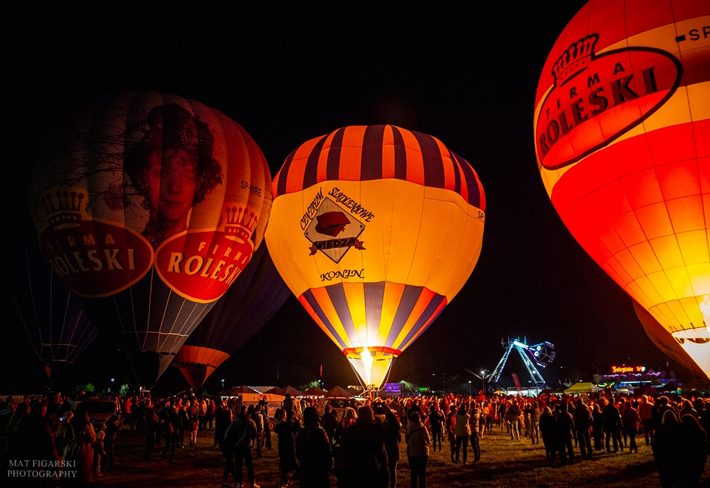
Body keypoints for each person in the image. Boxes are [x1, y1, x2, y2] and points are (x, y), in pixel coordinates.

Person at [123, 103, 223, 248]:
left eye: (189, 176)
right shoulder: (124, 246)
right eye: (162, 173)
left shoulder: (204, 248)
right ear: (142, 177)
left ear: (200, 183)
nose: (175, 188)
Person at [297, 406, 332, 488]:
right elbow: (326, 451)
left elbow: (298, 452)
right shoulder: (320, 432)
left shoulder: (302, 432)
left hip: (305, 469)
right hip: (318, 469)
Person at [653, 410, 690, 488]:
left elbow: (655, 444)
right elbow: (687, 442)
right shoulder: (681, 427)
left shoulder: (660, 429)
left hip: (665, 459)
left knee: (667, 482)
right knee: (680, 482)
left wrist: (657, 457)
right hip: (680, 459)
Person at [274, 407, 299, 487]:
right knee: (287, 462)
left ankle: (286, 480)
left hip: (282, 444)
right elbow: (296, 429)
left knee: (284, 461)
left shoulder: (279, 424)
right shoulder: (285, 424)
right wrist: (296, 421)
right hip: (288, 445)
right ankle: (283, 482)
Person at [406, 411, 430, 488]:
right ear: (419, 418)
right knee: (422, 473)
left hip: (412, 453)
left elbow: (407, 440)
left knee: (414, 473)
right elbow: (428, 440)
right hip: (423, 453)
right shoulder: (423, 428)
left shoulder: (408, 428)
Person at [382, 406, 402, 488]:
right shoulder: (396, 427)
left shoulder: (385, 426)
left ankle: (386, 483)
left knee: (385, 468)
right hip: (394, 449)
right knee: (393, 469)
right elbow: (399, 439)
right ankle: (393, 485)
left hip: (386, 448)